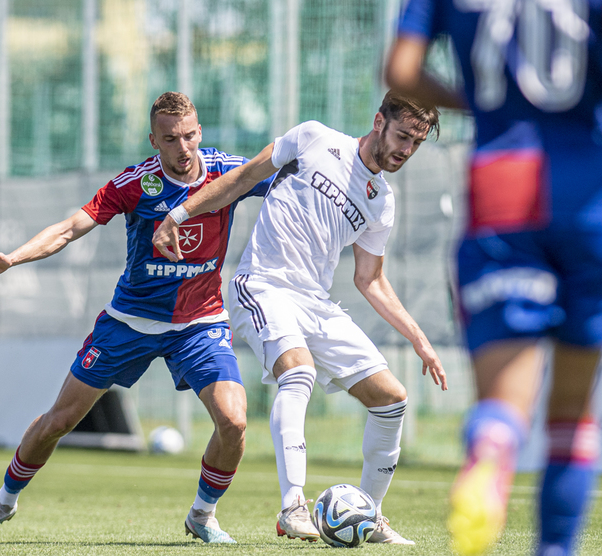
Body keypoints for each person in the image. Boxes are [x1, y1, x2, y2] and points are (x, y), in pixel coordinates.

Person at [385, 1, 602, 554]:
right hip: (592, 193)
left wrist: (481, 101)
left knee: (504, 404)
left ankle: (491, 447)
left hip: (503, 188)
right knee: (572, 413)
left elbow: (401, 70)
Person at [0, 92, 274, 545]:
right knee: (59, 420)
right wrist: (14, 258)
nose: (182, 147)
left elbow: (288, 172)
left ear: (200, 132)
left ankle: (202, 515)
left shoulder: (228, 171)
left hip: (200, 324)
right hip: (129, 322)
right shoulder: (137, 184)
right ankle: (2, 502)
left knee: (234, 421)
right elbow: (70, 228)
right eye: (170, 139)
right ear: (153, 141)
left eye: (189, 136)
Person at [153, 91, 449, 545]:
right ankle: (293, 507)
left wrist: (419, 339)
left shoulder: (381, 201)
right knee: (299, 372)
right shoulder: (314, 138)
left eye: (417, 143)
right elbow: (242, 178)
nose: (406, 149)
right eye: (403, 136)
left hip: (315, 303)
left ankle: (370, 516)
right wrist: (178, 213)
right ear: (379, 121)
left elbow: (370, 279)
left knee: (392, 399)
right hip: (263, 284)